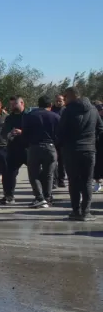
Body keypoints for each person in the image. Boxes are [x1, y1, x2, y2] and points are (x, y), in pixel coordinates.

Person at [57, 86, 103, 221]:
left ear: (71, 96)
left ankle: (76, 211)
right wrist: (92, 140)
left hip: (71, 150)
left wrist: (62, 145)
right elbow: (100, 128)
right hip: (89, 150)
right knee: (87, 181)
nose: (64, 99)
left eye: (65, 97)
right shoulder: (93, 110)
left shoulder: (67, 111)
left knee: (74, 182)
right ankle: (86, 212)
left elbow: (61, 131)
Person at [23, 95, 61, 208]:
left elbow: (25, 133)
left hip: (34, 147)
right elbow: (60, 134)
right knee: (49, 174)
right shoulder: (55, 116)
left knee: (33, 174)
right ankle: (48, 198)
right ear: (50, 105)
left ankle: (39, 198)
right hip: (50, 147)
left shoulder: (29, 116)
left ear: (38, 104)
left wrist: (27, 145)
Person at [0, 97, 28, 205]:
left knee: (36, 173)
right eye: (11, 104)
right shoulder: (9, 118)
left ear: (22, 103)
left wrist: (22, 132)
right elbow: (4, 132)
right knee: (9, 174)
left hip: (27, 148)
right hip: (13, 149)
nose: (13, 106)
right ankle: (9, 196)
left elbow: (34, 131)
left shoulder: (29, 117)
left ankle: (43, 196)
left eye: (15, 104)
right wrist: (9, 134)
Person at [52, 94, 68, 189]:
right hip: (53, 139)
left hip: (63, 140)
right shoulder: (51, 110)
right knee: (53, 161)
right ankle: (54, 180)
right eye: (57, 101)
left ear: (64, 101)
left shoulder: (66, 111)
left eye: (60, 101)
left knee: (62, 162)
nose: (58, 102)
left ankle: (61, 180)